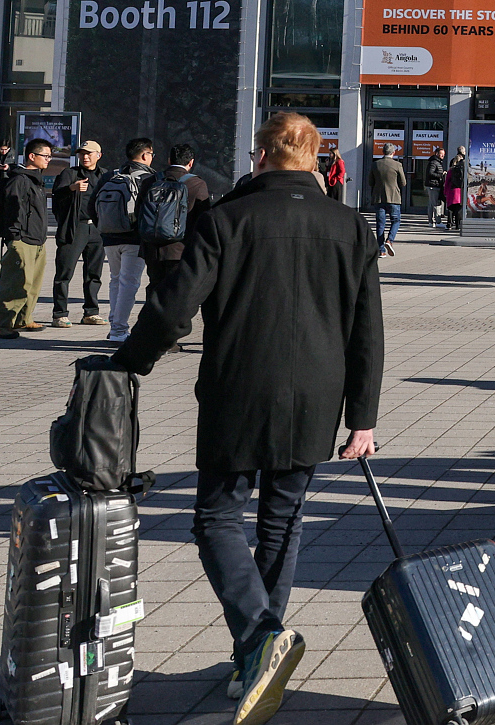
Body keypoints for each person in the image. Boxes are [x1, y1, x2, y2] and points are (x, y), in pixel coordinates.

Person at [111, 112, 382, 725]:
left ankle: (259, 638)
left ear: (260, 157)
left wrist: (130, 362)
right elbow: (369, 332)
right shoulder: (350, 226)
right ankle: (256, 652)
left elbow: (173, 308)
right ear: (315, 162)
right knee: (282, 522)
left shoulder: (228, 219)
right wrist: (362, 418)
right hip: (318, 396)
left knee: (214, 517)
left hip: (238, 389)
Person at [0, 138, 54, 337]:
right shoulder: (19, 179)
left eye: (50, 156)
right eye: (45, 156)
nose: (48, 160)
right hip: (22, 240)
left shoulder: (36, 179)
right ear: (32, 156)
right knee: (15, 283)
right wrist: (15, 237)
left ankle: (23, 319)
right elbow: (12, 208)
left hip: (37, 239)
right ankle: (3, 325)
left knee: (33, 285)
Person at [99, 139, 157, 343]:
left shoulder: (111, 175)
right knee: (129, 283)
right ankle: (118, 330)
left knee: (116, 280)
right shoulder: (150, 178)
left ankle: (114, 324)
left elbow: (93, 206)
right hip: (134, 238)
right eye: (151, 154)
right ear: (144, 155)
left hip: (109, 237)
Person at [48, 140, 108, 328]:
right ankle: (60, 313)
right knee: (64, 272)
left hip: (97, 230)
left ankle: (91, 312)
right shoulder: (69, 174)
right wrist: (71, 189)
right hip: (75, 228)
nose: (85, 156)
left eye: (89, 153)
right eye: (82, 153)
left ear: (99, 155)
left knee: (94, 273)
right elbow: (56, 197)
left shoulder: (105, 176)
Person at [141, 144, 212, 291]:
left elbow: (138, 212)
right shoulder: (197, 184)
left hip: (152, 247)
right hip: (181, 249)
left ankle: (152, 314)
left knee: (155, 287)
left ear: (169, 160)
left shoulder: (151, 180)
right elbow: (204, 219)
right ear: (191, 162)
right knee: (176, 291)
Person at [370, 144, 406, 258]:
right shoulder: (397, 165)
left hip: (379, 197)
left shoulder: (375, 164)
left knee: (380, 224)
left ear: (382, 152)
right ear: (393, 152)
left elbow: (370, 182)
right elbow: (403, 182)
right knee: (396, 220)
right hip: (394, 197)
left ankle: (381, 251)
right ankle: (390, 240)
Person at [422, 146, 447, 227]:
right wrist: (441, 175)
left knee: (432, 203)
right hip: (433, 185)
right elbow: (430, 173)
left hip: (435, 185)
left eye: (444, 154)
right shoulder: (434, 162)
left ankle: (431, 221)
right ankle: (438, 221)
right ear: (437, 154)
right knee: (436, 204)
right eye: (441, 154)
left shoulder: (437, 162)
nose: (443, 156)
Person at [444, 148, 465, 231]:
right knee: (458, 209)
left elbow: (447, 182)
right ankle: (457, 225)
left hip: (451, 190)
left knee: (450, 209)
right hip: (460, 190)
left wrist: (445, 192)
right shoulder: (462, 170)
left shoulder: (451, 171)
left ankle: (449, 224)